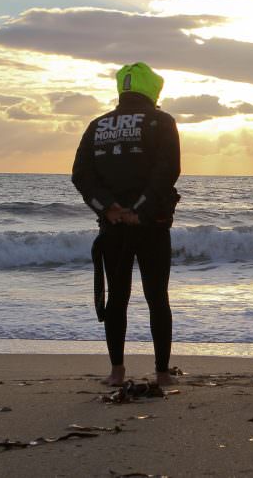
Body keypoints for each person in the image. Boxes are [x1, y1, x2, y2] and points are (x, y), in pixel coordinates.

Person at [72, 62, 181, 387]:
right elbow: (168, 170)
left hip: (113, 226)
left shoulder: (97, 125)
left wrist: (108, 208)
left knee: (117, 297)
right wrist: (141, 209)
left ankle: (116, 372)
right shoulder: (161, 121)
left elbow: (81, 174)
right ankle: (162, 374)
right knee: (157, 298)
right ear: (152, 88)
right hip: (152, 224)